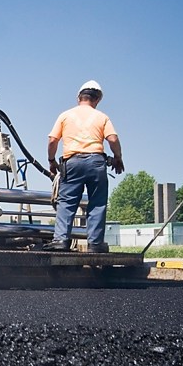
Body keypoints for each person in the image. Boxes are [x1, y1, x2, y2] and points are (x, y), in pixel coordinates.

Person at [41, 81, 124, 252]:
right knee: (97, 203)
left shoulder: (65, 115)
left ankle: (61, 241)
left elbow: (52, 140)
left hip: (72, 163)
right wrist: (118, 158)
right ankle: (95, 244)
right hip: (96, 163)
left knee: (66, 203)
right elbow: (113, 139)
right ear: (98, 99)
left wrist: (51, 161)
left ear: (79, 97)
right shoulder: (102, 117)